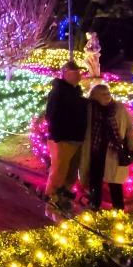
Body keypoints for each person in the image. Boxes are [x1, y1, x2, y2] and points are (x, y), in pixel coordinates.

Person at [79, 84, 133, 210]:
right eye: (103, 94)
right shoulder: (89, 109)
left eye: (108, 93)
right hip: (95, 150)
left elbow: (130, 129)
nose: (107, 96)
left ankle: (119, 210)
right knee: (95, 181)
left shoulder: (119, 108)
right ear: (94, 96)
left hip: (114, 151)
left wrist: (132, 148)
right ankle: (94, 208)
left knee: (115, 183)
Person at [43, 61, 87, 208]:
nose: (79, 75)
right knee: (59, 171)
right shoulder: (58, 92)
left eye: (79, 72)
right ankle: (52, 199)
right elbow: (51, 116)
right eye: (75, 73)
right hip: (63, 139)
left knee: (71, 172)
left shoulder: (75, 91)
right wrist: (57, 137)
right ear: (65, 73)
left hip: (76, 138)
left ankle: (64, 196)